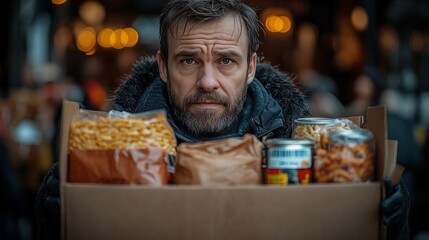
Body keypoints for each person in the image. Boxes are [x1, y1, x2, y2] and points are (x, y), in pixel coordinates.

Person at [35, 0, 408, 239]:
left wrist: (386, 216)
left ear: (251, 68)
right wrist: (57, 214)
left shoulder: (305, 151)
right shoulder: (111, 151)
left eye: (226, 60)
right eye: (189, 60)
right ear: (164, 66)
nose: (208, 81)